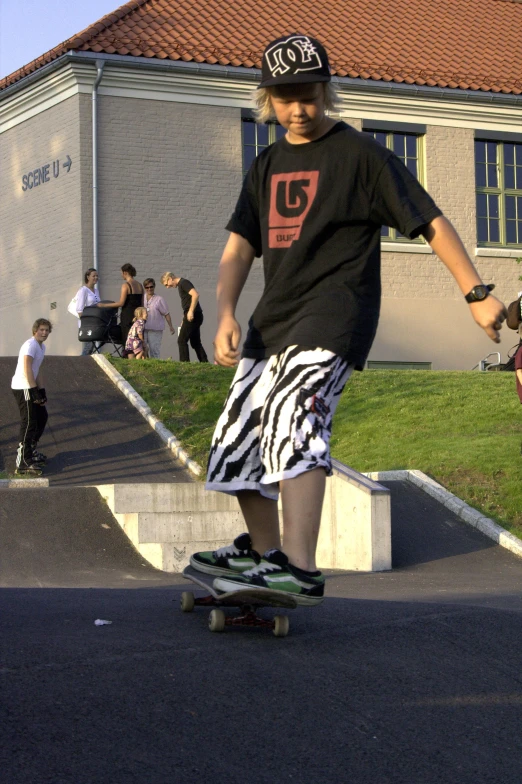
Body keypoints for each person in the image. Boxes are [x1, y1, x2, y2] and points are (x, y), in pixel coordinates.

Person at [188, 33, 507, 605]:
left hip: (335, 315)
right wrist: (227, 312)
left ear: (327, 91)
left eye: (308, 95)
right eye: (285, 99)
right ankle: (263, 557)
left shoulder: (362, 156)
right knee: (234, 441)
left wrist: (475, 291)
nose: (298, 109)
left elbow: (429, 220)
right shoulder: (266, 164)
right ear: (267, 100)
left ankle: (301, 567)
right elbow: (239, 247)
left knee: (295, 417)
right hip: (271, 322)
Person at [11, 318, 52, 476]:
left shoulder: (41, 347)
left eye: (47, 330)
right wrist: (33, 389)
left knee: (42, 417)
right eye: (41, 329)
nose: (44, 333)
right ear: (35, 330)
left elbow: (37, 369)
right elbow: (27, 367)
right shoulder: (31, 345)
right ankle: (23, 462)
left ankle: (31, 451)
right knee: (29, 422)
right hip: (23, 387)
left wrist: (41, 391)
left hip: (31, 386)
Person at [161, 272, 208, 362]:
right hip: (195, 315)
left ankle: (184, 364)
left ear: (170, 278)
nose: (167, 287)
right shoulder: (181, 285)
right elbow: (187, 303)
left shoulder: (183, 283)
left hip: (193, 315)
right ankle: (205, 362)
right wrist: (184, 318)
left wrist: (190, 312)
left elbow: (195, 295)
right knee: (195, 342)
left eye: (167, 284)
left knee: (181, 340)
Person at [98, 263, 143, 346]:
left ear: (125, 272)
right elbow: (142, 303)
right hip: (138, 315)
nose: (121, 275)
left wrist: (104, 305)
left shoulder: (126, 285)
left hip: (128, 315)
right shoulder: (140, 285)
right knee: (137, 339)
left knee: (128, 339)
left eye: (121, 273)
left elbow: (121, 303)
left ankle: (128, 357)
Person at [142, 278, 175, 358]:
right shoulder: (142, 298)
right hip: (143, 328)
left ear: (154, 287)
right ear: (144, 288)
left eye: (151, 287)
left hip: (155, 330)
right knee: (143, 350)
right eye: (147, 287)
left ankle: (155, 367)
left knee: (154, 351)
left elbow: (166, 313)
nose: (149, 289)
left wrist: (171, 326)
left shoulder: (159, 299)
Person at [75, 268, 100, 355]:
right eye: (93, 276)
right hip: (87, 323)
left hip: (94, 322)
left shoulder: (96, 291)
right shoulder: (83, 290)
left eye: (97, 276)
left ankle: (85, 361)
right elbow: (79, 309)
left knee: (91, 346)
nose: (96, 278)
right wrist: (85, 322)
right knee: (88, 346)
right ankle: (82, 361)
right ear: (88, 277)